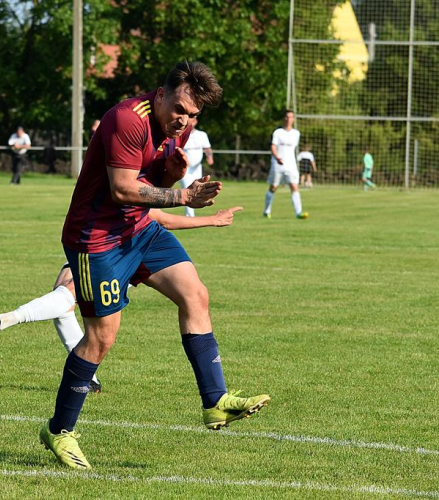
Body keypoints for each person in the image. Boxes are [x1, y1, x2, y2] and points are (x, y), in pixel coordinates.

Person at [34, 61, 270, 470]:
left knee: (195, 294)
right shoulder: (126, 119)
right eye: (179, 108)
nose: (185, 120)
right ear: (160, 95)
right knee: (101, 337)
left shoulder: (183, 125)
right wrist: (182, 196)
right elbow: (123, 188)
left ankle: (215, 401)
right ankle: (59, 430)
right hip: (97, 239)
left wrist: (171, 174)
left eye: (194, 114)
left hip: (139, 229)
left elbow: (151, 179)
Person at [0, 206, 244, 394]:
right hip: (95, 249)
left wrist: (212, 219)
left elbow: (158, 217)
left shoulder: (123, 170)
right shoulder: (106, 173)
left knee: (70, 293)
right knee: (63, 298)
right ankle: (89, 380)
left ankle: (2, 320)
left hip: (119, 254)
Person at [263, 110, 308, 219]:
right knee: (273, 187)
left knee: (294, 186)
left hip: (291, 164)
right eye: (287, 117)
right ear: (284, 118)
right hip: (277, 164)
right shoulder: (278, 132)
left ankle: (298, 212)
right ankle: (266, 210)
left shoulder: (296, 133)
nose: (289, 119)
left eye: (291, 117)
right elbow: (273, 146)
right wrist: (277, 157)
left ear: (293, 119)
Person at [180, 117, 214, 216]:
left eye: (194, 120)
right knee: (187, 187)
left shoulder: (202, 135)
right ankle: (190, 215)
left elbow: (207, 149)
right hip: (185, 168)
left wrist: (209, 157)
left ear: (196, 122)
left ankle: (191, 213)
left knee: (197, 189)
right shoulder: (181, 134)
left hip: (196, 168)